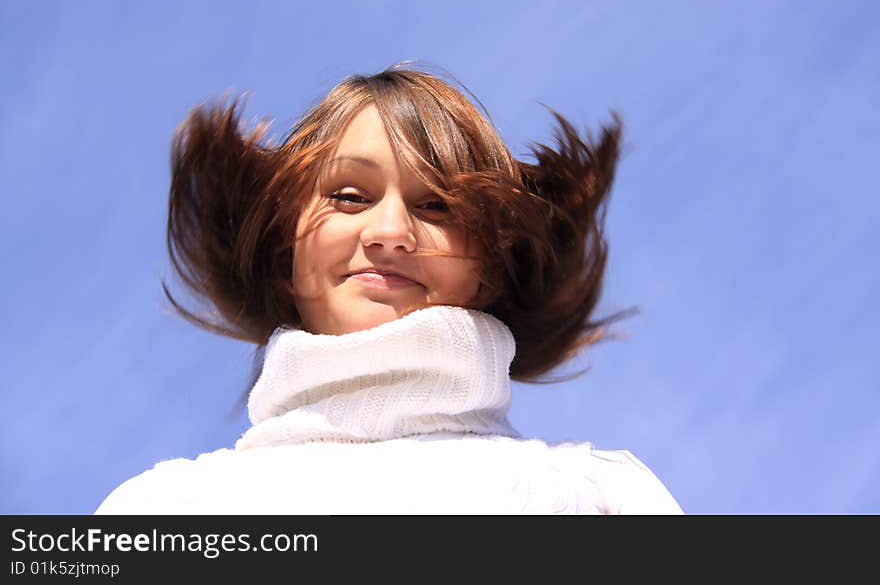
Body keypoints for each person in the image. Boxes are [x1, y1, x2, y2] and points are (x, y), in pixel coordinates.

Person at [95, 64, 683, 514]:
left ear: (493, 268)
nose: (390, 233)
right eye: (349, 197)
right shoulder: (165, 510)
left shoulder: (601, 499)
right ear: (282, 249)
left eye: (439, 206)